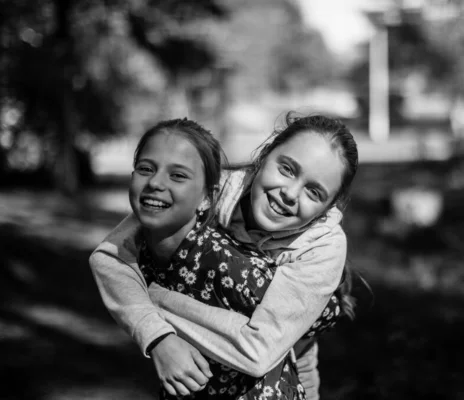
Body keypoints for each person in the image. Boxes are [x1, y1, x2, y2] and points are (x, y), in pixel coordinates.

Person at [90, 113, 360, 399]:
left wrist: (156, 300)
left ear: (328, 208)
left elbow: (263, 351)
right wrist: (158, 337)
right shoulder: (214, 189)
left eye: (314, 192)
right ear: (264, 156)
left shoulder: (322, 246)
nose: (290, 193)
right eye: (287, 169)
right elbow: (110, 257)